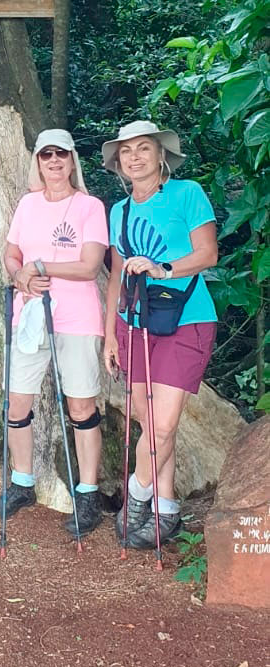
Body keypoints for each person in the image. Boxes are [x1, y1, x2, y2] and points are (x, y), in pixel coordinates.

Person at [0, 129, 109, 538]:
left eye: (61, 154)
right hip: (30, 315)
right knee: (16, 402)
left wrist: (38, 268)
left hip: (77, 318)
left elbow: (89, 266)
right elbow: (11, 253)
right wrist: (19, 275)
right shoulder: (28, 204)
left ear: (73, 160)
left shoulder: (90, 206)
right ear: (37, 162)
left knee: (81, 406)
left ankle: (87, 493)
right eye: (46, 154)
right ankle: (22, 482)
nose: (54, 161)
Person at [102, 120, 218, 548]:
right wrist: (110, 335)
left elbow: (208, 253)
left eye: (143, 148)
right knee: (149, 423)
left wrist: (162, 268)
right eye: (126, 151)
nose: (134, 157)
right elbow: (115, 276)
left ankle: (136, 496)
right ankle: (166, 509)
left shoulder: (187, 194)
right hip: (134, 323)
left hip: (186, 318)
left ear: (161, 155)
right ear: (119, 163)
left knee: (163, 426)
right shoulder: (119, 211)